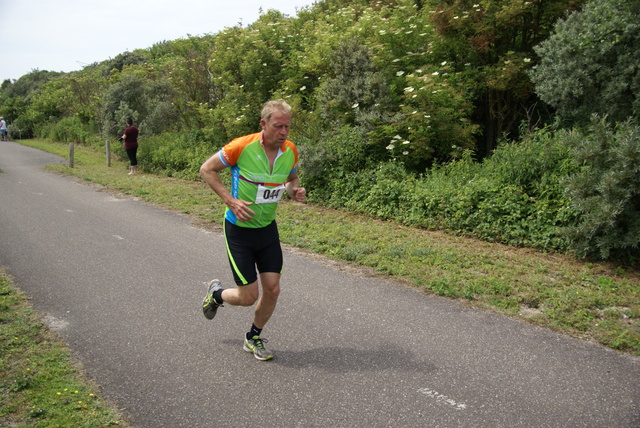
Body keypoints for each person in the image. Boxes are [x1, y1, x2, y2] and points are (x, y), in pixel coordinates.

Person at [200, 100, 306, 361]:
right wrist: (231, 201)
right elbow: (207, 169)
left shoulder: (290, 150)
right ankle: (216, 295)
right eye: (278, 126)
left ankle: (253, 337)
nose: (283, 132)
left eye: (287, 127)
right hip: (239, 230)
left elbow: (291, 179)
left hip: (267, 229)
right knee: (248, 296)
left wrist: (295, 191)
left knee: (272, 290)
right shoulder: (240, 146)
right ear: (264, 124)